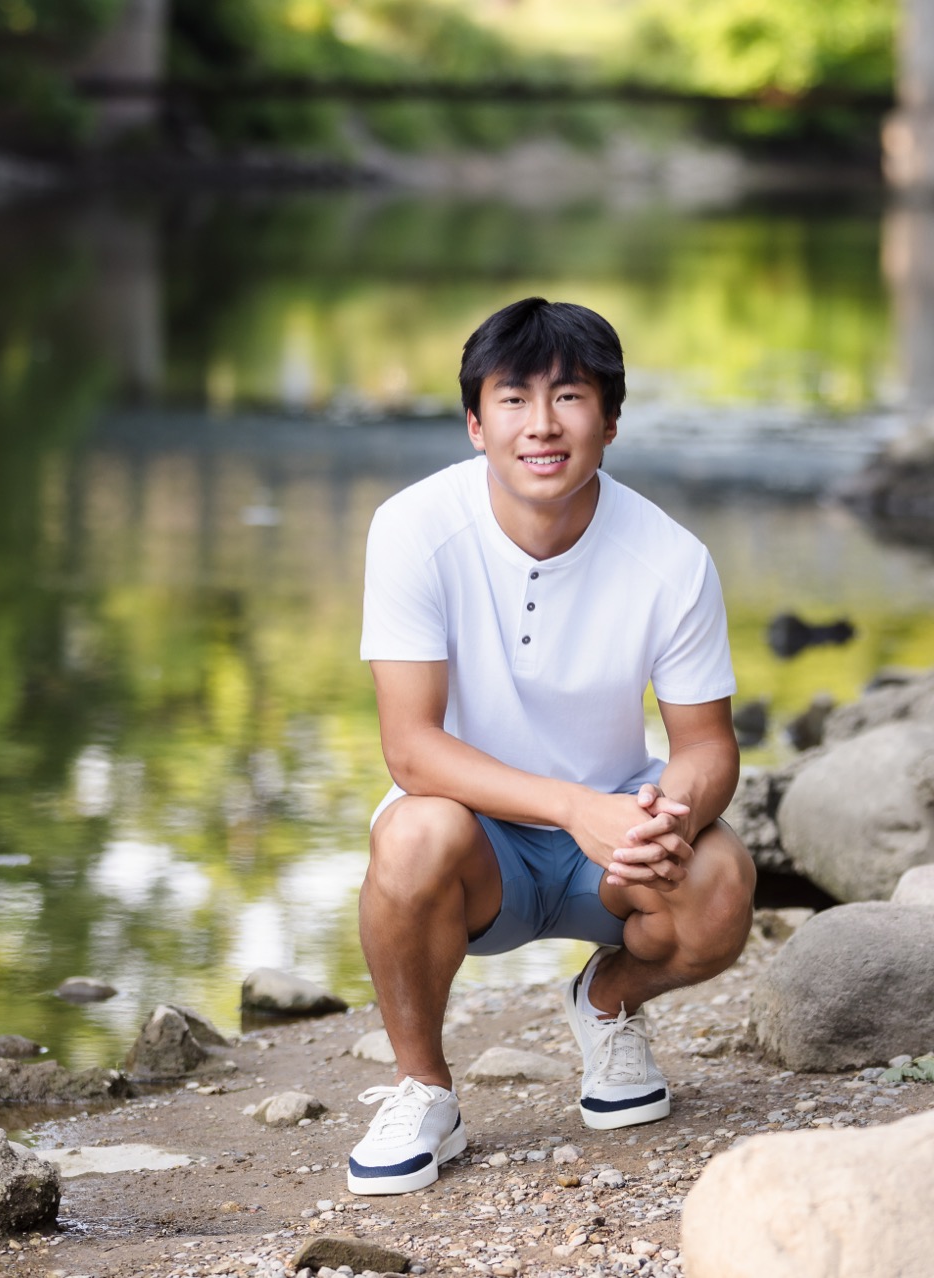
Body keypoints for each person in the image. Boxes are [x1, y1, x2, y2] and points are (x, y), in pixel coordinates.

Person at [348, 297, 755, 1196]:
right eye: (513, 398)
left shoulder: (671, 557)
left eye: (569, 398)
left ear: (609, 421)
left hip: (609, 844)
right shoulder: (413, 529)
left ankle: (606, 1005)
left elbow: (708, 745)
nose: (541, 425)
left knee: (721, 884)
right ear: (473, 423)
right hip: (475, 843)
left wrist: (662, 813)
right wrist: (577, 809)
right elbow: (411, 752)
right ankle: (424, 1090)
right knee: (411, 833)